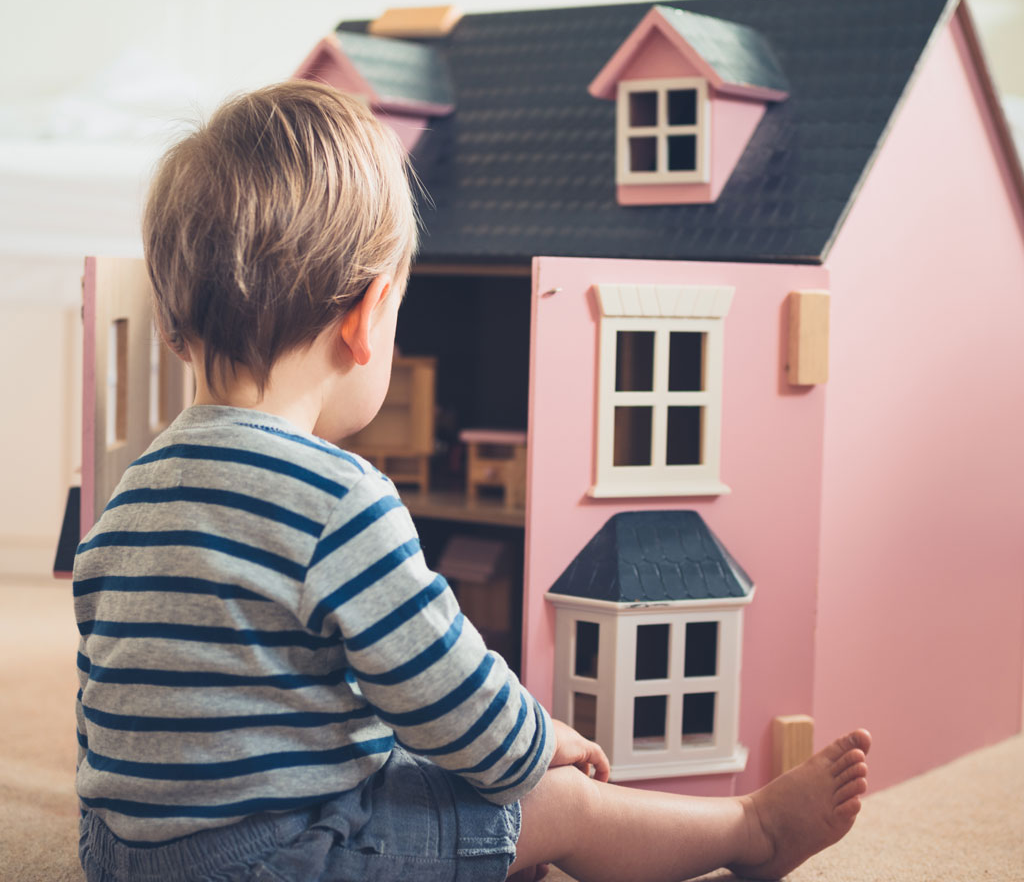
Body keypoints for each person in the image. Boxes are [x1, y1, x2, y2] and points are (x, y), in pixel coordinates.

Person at [74, 79, 870, 882]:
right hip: (277, 859)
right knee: (558, 804)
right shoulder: (337, 501)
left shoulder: (132, 497)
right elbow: (447, 695)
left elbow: (126, 704)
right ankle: (750, 832)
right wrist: (538, 740)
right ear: (367, 318)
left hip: (121, 856)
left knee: (419, 780)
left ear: (177, 331)